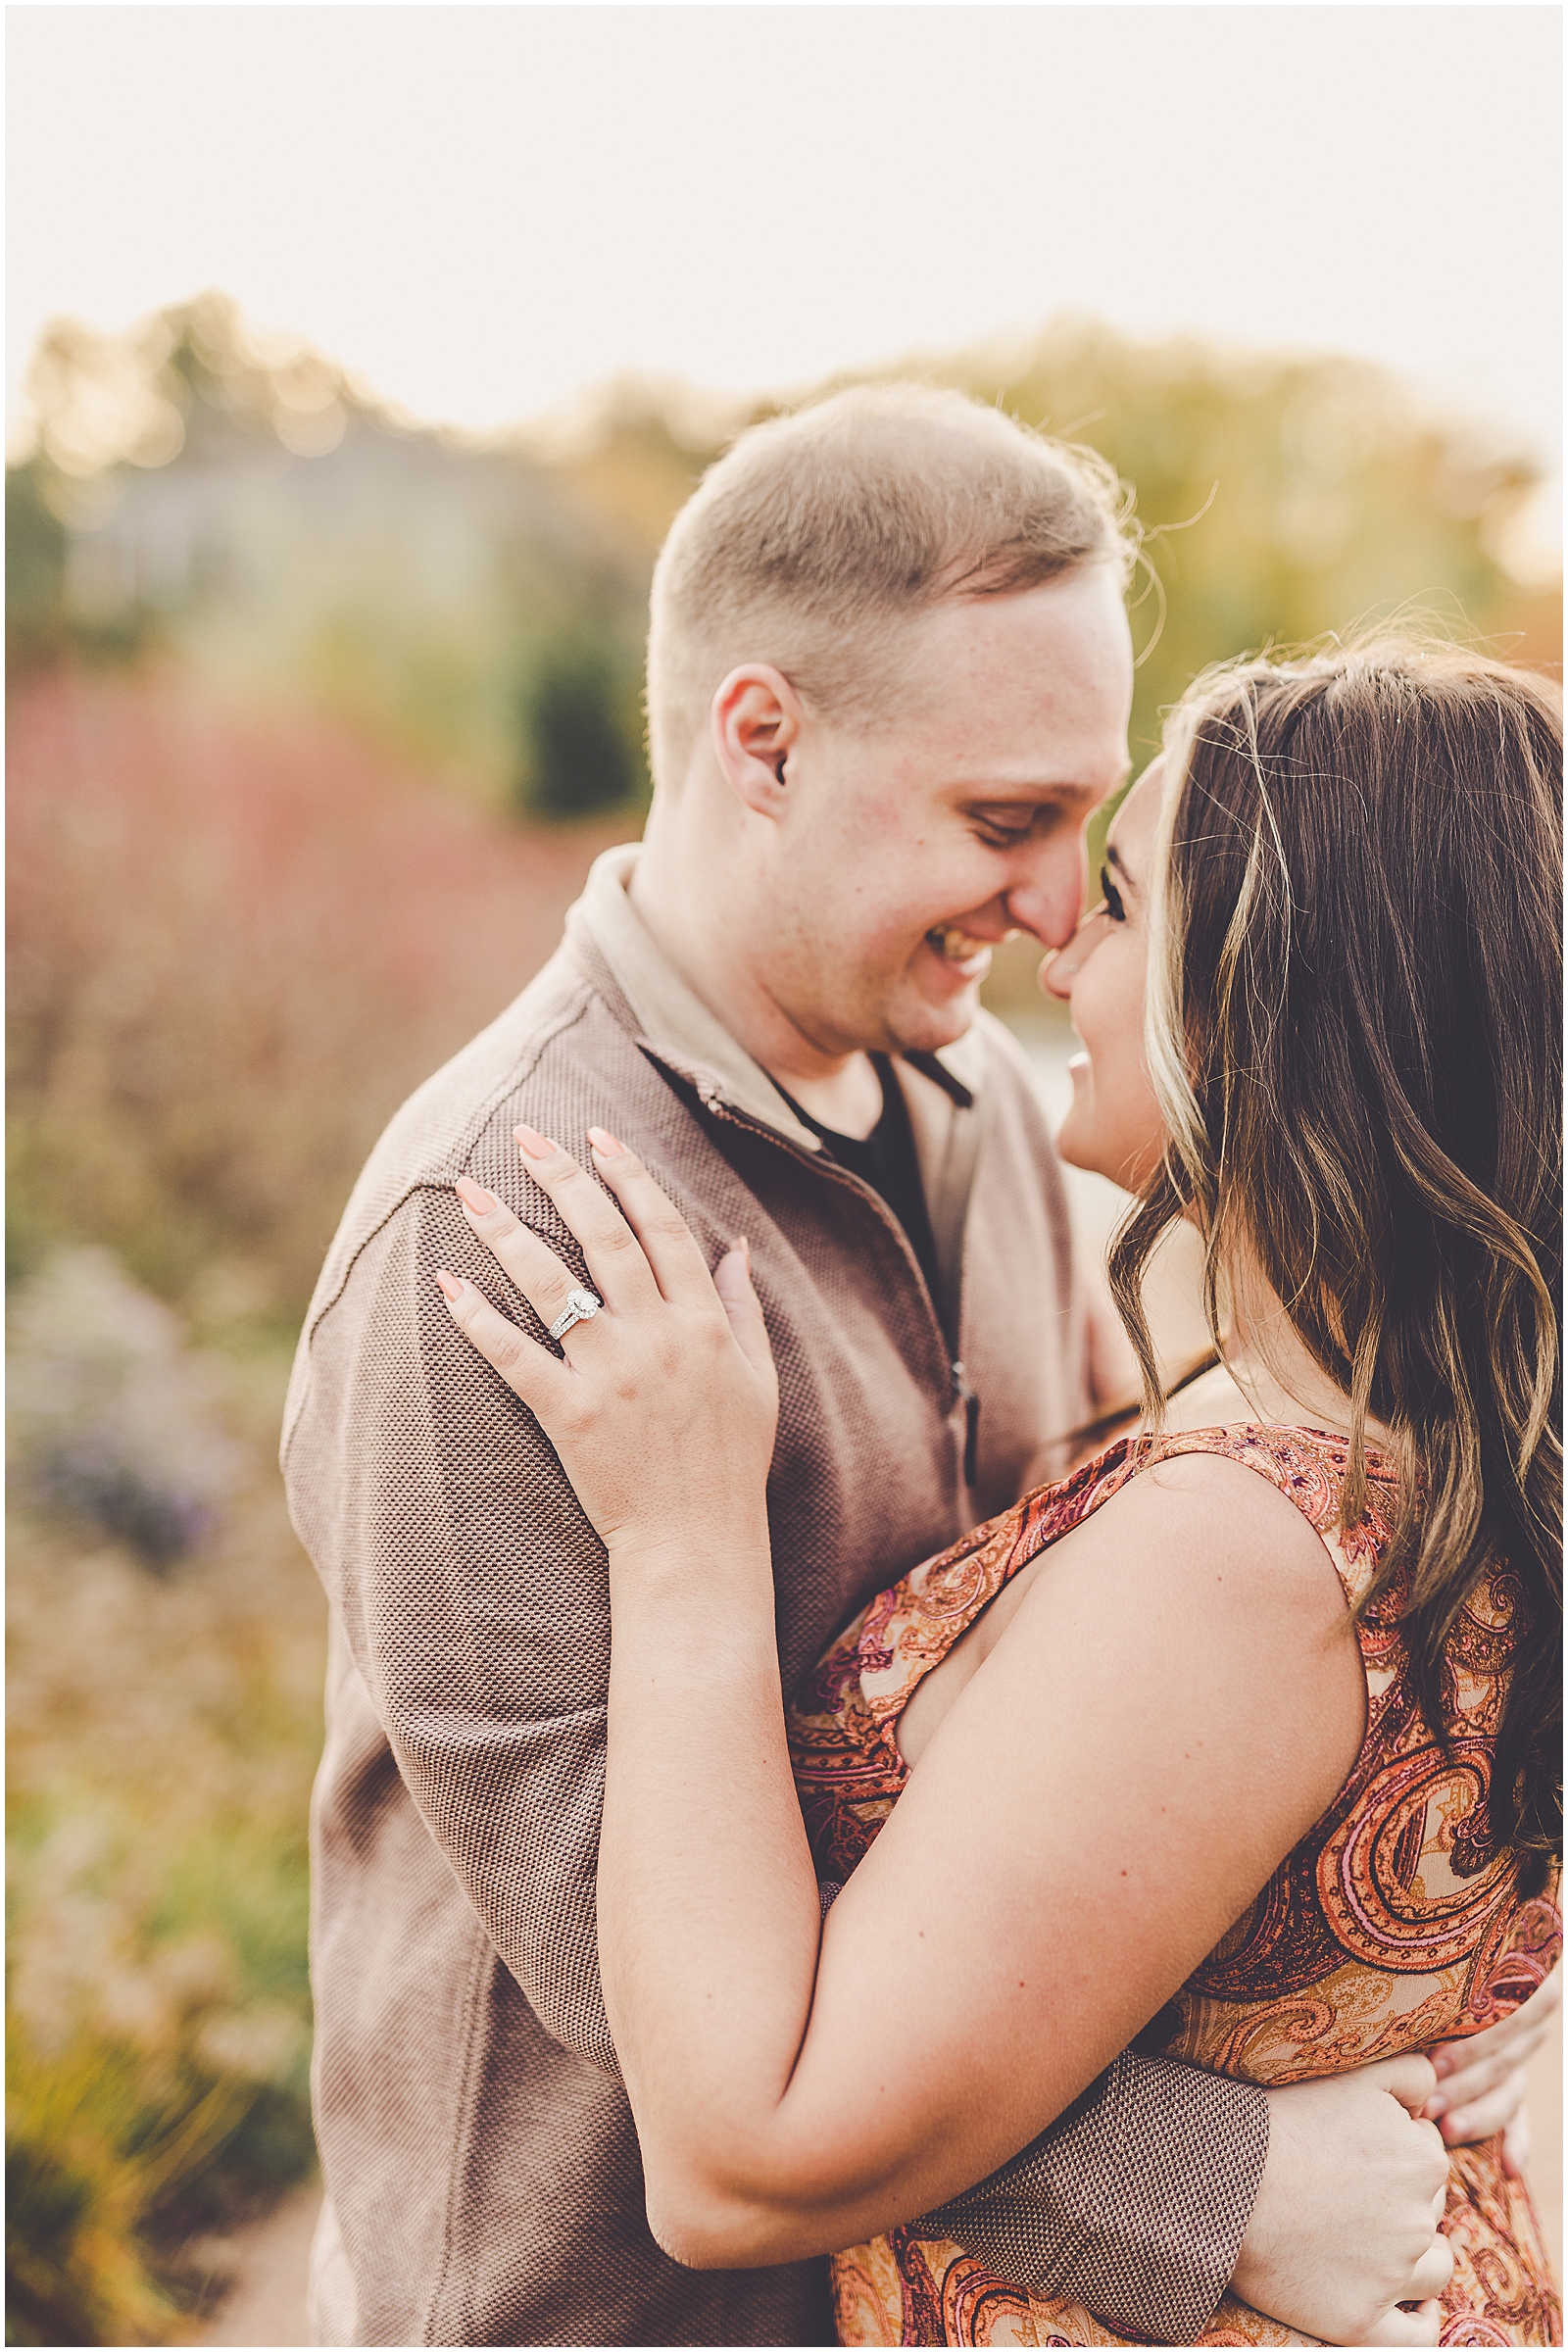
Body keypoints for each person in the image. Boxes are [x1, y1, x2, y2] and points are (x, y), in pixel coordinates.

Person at [285, 388, 1552, 2347]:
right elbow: (664, 2020)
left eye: (1089, 835)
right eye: (1003, 822)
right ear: (762, 744)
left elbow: (1143, 1716)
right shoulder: (505, 1235)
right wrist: (1213, 2182)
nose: (1054, 910)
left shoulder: (976, 1111)